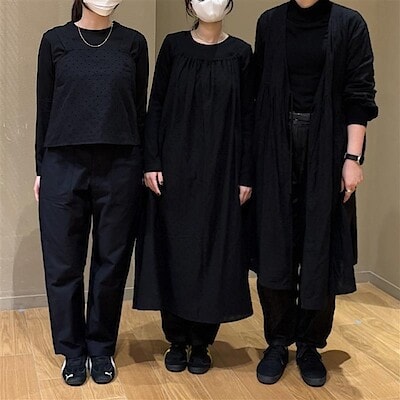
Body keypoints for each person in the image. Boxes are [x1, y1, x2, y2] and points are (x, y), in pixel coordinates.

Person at [253, 0, 378, 387]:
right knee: (275, 245)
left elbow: (360, 96)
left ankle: (309, 344)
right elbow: (259, 90)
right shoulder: (270, 22)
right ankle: (277, 341)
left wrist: (352, 158)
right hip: (275, 145)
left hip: (328, 147)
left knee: (320, 246)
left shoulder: (349, 24)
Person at [133, 0, 253, 375]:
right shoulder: (173, 46)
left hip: (223, 169)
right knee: (175, 250)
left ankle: (202, 342)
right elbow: (156, 104)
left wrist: (246, 174)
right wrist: (151, 161)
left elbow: (249, 117)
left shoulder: (241, 53)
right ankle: (176, 339)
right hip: (174, 169)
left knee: (214, 252)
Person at [34, 0, 148, 386]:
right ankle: (72, 350)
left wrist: (142, 164)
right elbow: (44, 108)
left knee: (111, 261)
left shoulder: (133, 43)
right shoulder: (55, 41)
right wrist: (41, 168)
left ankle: (100, 348)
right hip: (62, 163)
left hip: (121, 163)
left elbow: (139, 110)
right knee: (63, 263)